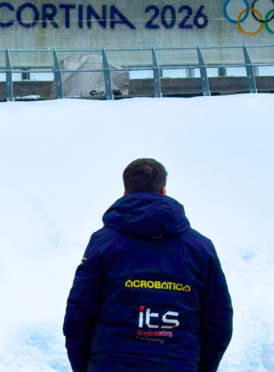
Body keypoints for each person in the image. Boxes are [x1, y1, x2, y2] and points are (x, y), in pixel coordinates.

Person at [63, 158, 233, 372]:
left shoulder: (103, 242)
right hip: (178, 363)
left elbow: (79, 312)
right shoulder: (200, 247)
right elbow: (219, 320)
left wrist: (84, 367)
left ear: (125, 192)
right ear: (163, 191)